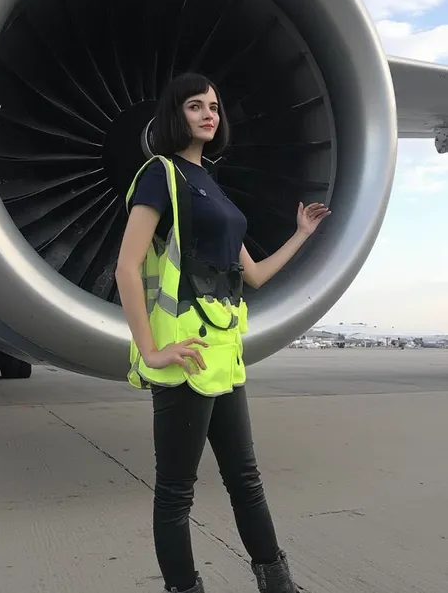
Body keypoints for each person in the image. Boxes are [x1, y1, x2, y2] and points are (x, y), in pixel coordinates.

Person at [115, 72, 331, 593]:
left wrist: (301, 236)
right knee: (175, 493)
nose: (209, 113)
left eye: (213, 105)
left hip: (224, 352)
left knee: (245, 480)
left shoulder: (210, 181)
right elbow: (127, 267)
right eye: (195, 106)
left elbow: (252, 275)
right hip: (187, 355)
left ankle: (276, 583)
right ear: (175, 115)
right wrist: (151, 350)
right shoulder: (159, 174)